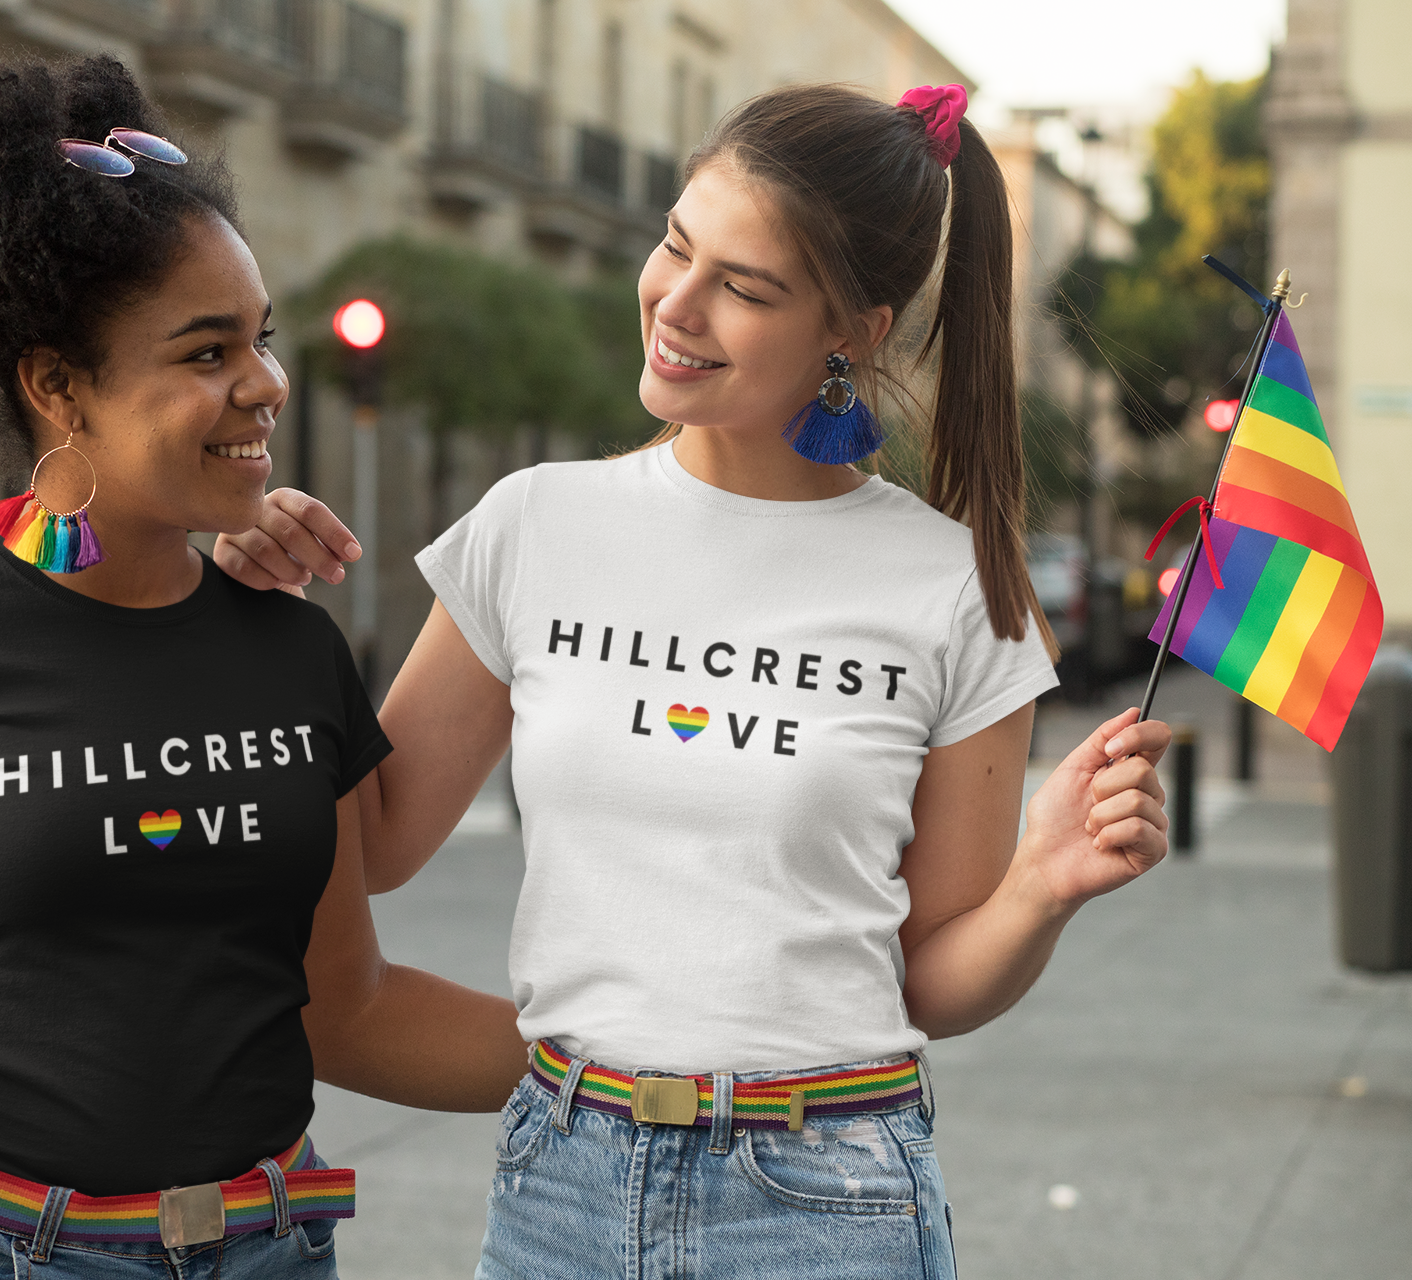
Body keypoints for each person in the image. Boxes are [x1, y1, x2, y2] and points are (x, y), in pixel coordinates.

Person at [215, 83, 1171, 1277]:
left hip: (824, 1199)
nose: (676, 302)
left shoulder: (958, 590)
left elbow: (931, 976)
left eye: (745, 287)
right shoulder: (533, 524)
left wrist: (1041, 885)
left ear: (854, 331)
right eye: (676, 244)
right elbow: (376, 840)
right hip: (559, 1181)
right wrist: (264, 632)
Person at [0, 55, 525, 1280]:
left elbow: (347, 1004)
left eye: (260, 339)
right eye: (207, 353)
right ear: (58, 384)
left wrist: (635, 1055)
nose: (266, 383)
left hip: (269, 1247)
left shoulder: (290, 647)